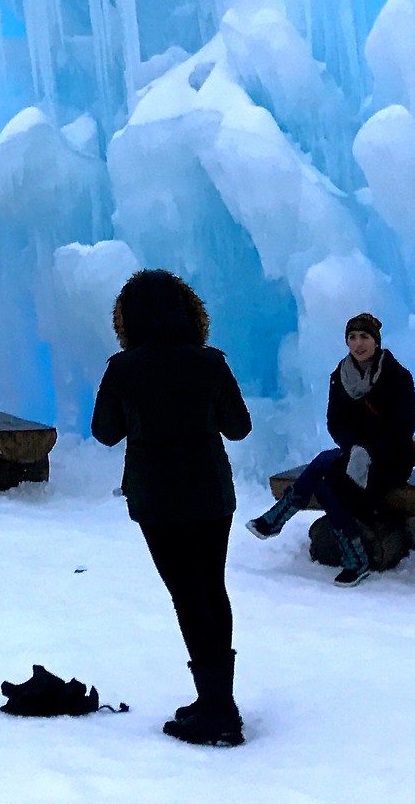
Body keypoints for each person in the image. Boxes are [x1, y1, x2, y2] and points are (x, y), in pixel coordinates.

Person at [91, 269, 252, 748]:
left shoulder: (123, 368)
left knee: (187, 594)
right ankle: (218, 700)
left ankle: (216, 710)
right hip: (210, 492)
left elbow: (105, 432)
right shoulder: (211, 362)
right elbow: (238, 426)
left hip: (158, 497)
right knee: (212, 588)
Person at [247, 312, 415, 587]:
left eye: (364, 337)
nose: (358, 343)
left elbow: (403, 428)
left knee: (327, 483)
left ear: (376, 341)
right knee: (323, 463)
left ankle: (350, 555)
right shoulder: (341, 376)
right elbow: (335, 422)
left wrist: (366, 449)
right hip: (356, 454)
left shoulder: (398, 377)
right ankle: (281, 520)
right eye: (352, 337)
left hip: (390, 459)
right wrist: (354, 447)